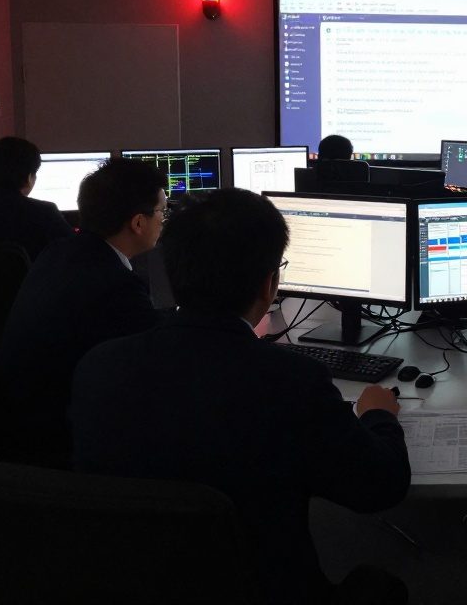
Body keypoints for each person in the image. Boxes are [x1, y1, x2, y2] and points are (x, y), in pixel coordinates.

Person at [72, 188, 410, 605]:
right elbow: (380, 488)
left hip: (132, 585)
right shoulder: (290, 382)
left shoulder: (98, 367)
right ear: (270, 283)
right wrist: (378, 416)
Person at [0, 158, 168, 467]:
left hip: (17, 430)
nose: (164, 220)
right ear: (138, 222)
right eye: (161, 212)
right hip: (58, 450)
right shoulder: (116, 286)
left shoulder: (58, 253)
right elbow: (157, 362)